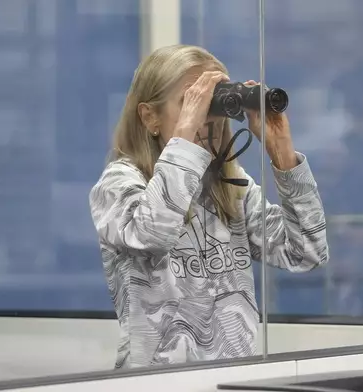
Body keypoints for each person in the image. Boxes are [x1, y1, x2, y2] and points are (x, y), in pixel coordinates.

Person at [88, 45, 329, 368]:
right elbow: (152, 235)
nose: (206, 117)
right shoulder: (118, 183)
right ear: (150, 116)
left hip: (230, 378)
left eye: (214, 102)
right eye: (191, 102)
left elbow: (307, 252)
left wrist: (283, 156)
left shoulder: (229, 186)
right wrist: (186, 135)